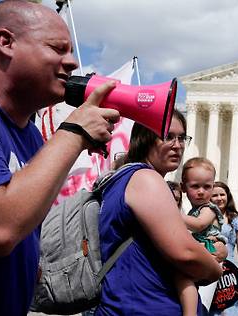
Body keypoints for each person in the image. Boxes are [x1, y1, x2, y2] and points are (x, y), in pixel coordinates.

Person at [0, 1, 120, 315]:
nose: (72, 63)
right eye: (58, 49)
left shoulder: (31, 136)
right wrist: (73, 132)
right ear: (6, 43)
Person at [96, 113, 224, 316]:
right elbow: (186, 254)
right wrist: (216, 270)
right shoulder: (146, 179)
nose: (177, 145)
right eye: (168, 136)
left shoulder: (125, 177)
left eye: (182, 137)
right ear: (145, 138)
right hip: (147, 306)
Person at [178, 157, 226, 316]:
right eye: (195, 186)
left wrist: (173, 214)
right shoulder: (194, 210)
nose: (201, 191)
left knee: (185, 282)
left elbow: (198, 225)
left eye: (207, 187)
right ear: (183, 187)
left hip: (209, 252)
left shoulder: (209, 209)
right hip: (203, 252)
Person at [209, 181, 238, 316]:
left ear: (228, 196)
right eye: (215, 195)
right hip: (207, 270)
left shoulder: (236, 220)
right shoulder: (204, 218)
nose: (219, 198)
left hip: (229, 273)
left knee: (230, 309)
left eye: (222, 194)